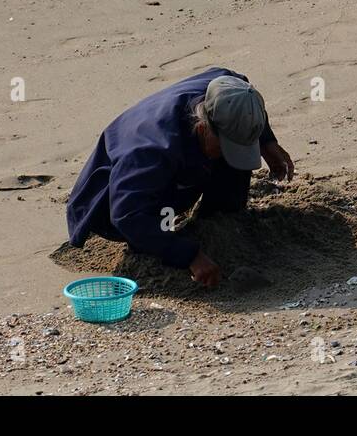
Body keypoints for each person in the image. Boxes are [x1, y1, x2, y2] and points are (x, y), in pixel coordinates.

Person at [65, 67, 294, 287]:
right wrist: (190, 256)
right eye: (225, 145)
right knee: (146, 230)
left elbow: (242, 88)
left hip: (177, 156)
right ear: (203, 128)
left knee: (231, 162)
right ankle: (164, 244)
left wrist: (266, 142)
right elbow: (127, 215)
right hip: (110, 204)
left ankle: (220, 219)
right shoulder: (151, 150)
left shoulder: (225, 90)